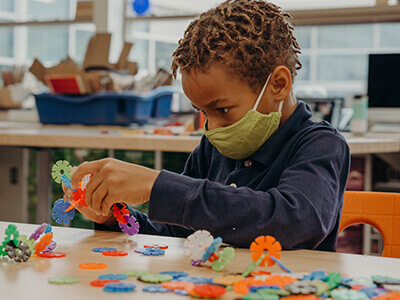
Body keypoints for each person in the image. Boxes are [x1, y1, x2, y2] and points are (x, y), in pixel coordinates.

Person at [65, 0, 350, 250]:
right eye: (202, 111)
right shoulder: (214, 148)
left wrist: (157, 186)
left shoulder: (321, 146)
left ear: (278, 84)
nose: (212, 127)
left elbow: (292, 221)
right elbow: (176, 234)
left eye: (222, 109)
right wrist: (115, 216)